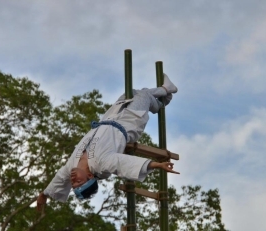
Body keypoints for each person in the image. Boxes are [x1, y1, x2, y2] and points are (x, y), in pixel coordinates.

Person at [37, 74, 179, 212]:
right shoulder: (102, 165)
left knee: (129, 94)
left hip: (110, 117)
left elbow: (59, 179)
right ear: (90, 177)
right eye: (78, 182)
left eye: (73, 184)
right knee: (142, 96)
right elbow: (124, 163)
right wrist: (157, 164)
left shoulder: (70, 167)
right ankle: (166, 89)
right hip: (129, 123)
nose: (73, 180)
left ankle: (161, 102)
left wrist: (44, 195)